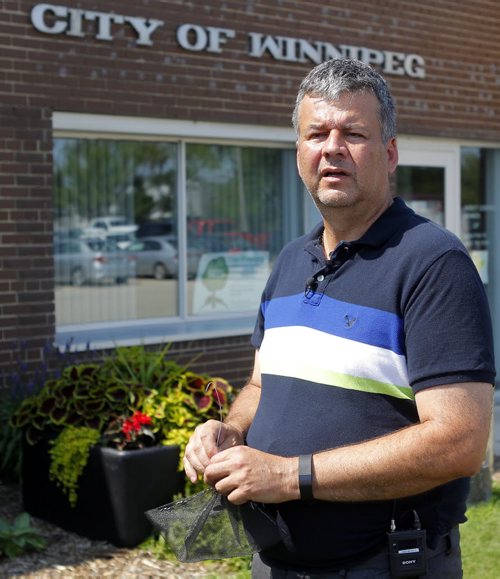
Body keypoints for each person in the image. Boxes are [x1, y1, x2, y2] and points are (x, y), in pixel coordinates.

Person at [183, 58, 496, 578]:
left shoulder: (432, 262)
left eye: (353, 132)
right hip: (275, 558)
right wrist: (231, 431)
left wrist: (289, 476)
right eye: (316, 133)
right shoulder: (289, 262)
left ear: (389, 153)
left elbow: (459, 442)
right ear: (300, 153)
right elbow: (263, 385)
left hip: (385, 564)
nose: (332, 147)